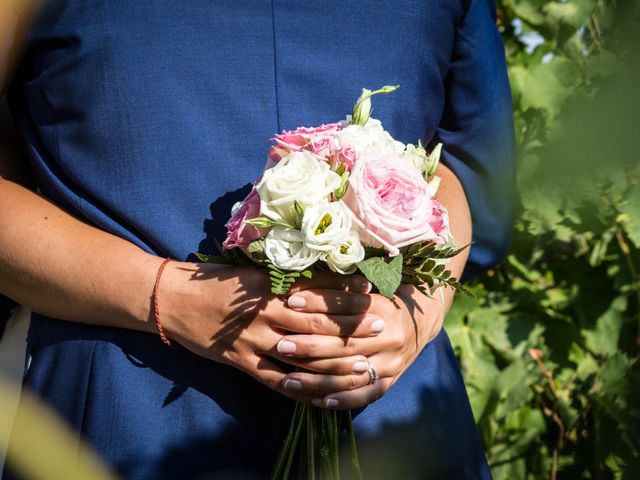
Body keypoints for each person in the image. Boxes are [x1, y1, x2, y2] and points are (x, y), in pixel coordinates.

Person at [0, 1, 515, 478]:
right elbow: (474, 170)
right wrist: (169, 297)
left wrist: (414, 312)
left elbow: (463, 168)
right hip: (131, 406)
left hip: (384, 405)